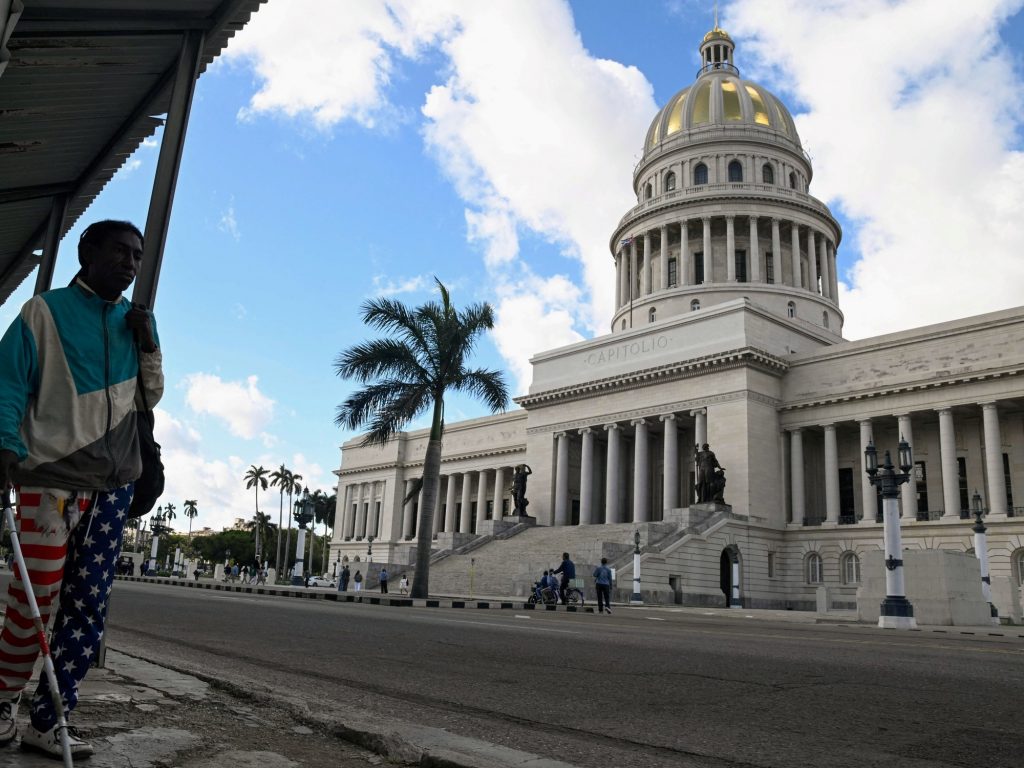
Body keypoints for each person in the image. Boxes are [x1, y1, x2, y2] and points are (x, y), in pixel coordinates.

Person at [0, 219, 162, 759]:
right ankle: (3, 699)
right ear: (86, 251)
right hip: (51, 480)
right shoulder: (43, 312)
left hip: (113, 486)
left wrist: (149, 344)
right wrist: (5, 445)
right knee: (35, 599)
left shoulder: (133, 322)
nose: (130, 264)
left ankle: (51, 719)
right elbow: (8, 382)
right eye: (119, 251)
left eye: (136, 256)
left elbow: (150, 398)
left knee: (89, 605)